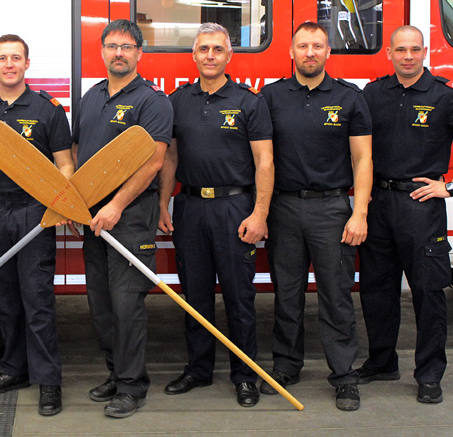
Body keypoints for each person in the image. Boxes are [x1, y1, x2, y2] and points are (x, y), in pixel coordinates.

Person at [357, 25, 453, 404]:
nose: (408, 56)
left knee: (429, 295)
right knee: (376, 291)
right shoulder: (373, 93)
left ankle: (430, 374)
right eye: (401, 49)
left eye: (415, 49)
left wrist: (450, 187)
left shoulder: (445, 95)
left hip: (421, 208)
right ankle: (381, 362)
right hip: (379, 204)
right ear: (389, 53)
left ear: (425, 51)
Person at [157, 23, 273, 409]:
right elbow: (170, 156)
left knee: (240, 297)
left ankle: (244, 375)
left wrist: (259, 213)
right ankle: (199, 369)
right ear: (194, 55)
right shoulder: (177, 101)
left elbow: (265, 161)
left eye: (217, 49)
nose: (210, 55)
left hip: (234, 208)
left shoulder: (248, 102)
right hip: (190, 207)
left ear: (229, 56)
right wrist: (162, 203)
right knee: (195, 296)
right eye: (203, 49)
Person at [259, 21, 372, 411]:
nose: (310, 52)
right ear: (290, 52)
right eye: (303, 46)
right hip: (284, 209)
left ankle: (343, 375)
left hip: (332, 209)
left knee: (336, 296)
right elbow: (262, 159)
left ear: (328, 53)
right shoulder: (270, 97)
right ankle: (286, 366)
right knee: (286, 294)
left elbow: (362, 158)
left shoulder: (349, 97)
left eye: (317, 46)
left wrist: (359, 212)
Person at [0, 34, 72, 416]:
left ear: (27, 63)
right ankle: (13, 370)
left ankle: (49, 382)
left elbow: (65, 164)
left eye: (16, 58)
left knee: (37, 301)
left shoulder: (47, 110)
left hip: (33, 213)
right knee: (4, 300)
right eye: (2, 58)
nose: (9, 64)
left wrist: (62, 205)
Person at [73, 19, 171, 418]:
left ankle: (132, 387)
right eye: (112, 46)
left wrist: (115, 205)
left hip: (129, 216)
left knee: (126, 302)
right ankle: (116, 373)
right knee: (100, 302)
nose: (118, 53)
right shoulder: (92, 97)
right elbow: (79, 150)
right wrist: (77, 203)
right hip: (91, 216)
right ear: (102, 51)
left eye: (126, 47)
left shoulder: (152, 100)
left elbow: (154, 162)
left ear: (139, 54)